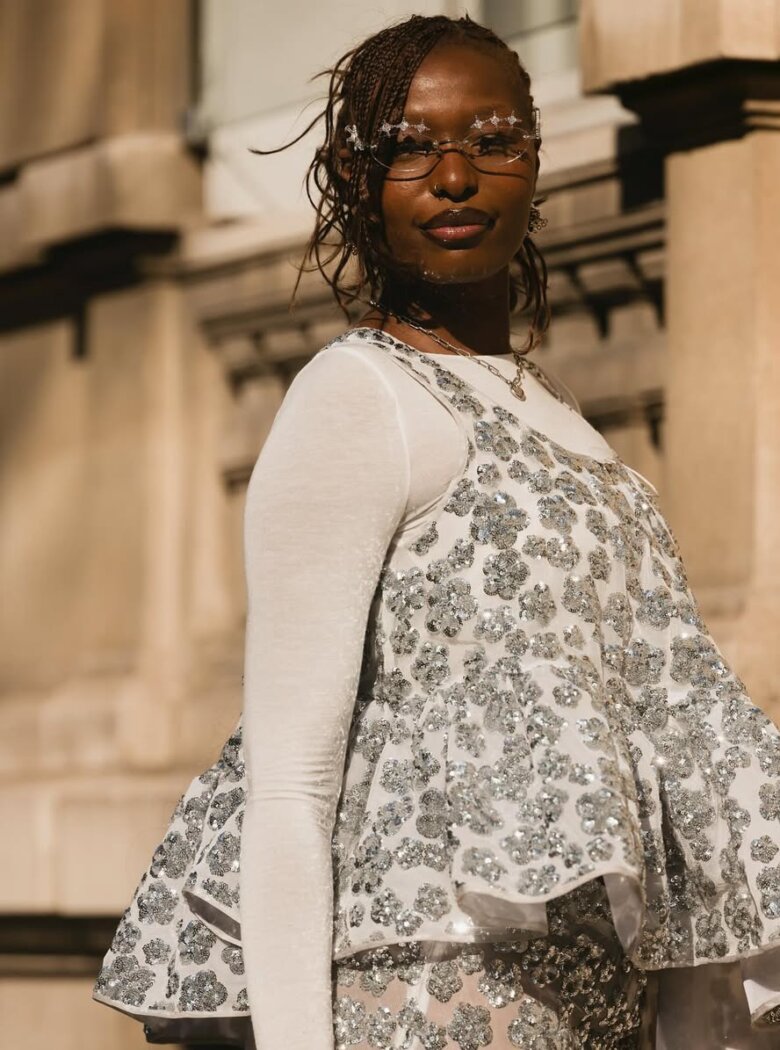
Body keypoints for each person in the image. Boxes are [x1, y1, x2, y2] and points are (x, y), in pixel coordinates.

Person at [93, 14, 780, 1049]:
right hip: (413, 1007)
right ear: (353, 179)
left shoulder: (565, 422)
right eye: (409, 146)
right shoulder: (355, 397)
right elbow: (290, 784)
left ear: (534, 163)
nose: (454, 174)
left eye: (492, 139)